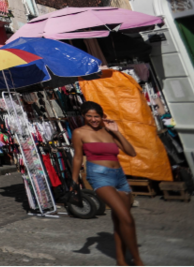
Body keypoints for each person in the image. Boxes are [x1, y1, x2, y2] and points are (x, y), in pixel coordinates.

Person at [72, 101, 143, 267]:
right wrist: (74, 181)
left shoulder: (109, 131)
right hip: (99, 176)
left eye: (96, 116)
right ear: (83, 116)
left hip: (119, 177)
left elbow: (131, 152)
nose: (93, 119)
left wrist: (117, 133)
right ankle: (137, 261)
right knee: (127, 219)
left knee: (120, 220)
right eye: (89, 116)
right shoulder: (79, 132)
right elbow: (77, 157)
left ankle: (121, 260)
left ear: (102, 116)